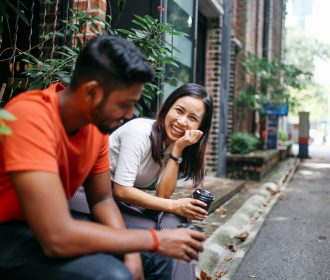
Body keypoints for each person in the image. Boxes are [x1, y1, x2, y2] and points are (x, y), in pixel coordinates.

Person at [0, 36, 204, 280]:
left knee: (158, 258)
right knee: (112, 275)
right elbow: (56, 237)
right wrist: (153, 239)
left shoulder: (95, 129)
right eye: (125, 104)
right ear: (92, 92)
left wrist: (132, 251)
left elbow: (103, 200)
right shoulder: (31, 117)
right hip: (10, 230)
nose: (130, 114)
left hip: (49, 224)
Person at [70, 83, 213, 280]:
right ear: (167, 108)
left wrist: (177, 150)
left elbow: (163, 195)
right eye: (179, 110)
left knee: (176, 222)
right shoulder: (139, 131)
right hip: (87, 197)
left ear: (200, 128)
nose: (182, 121)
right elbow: (122, 190)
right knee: (160, 231)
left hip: (113, 201)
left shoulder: (172, 143)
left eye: (193, 118)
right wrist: (175, 205)